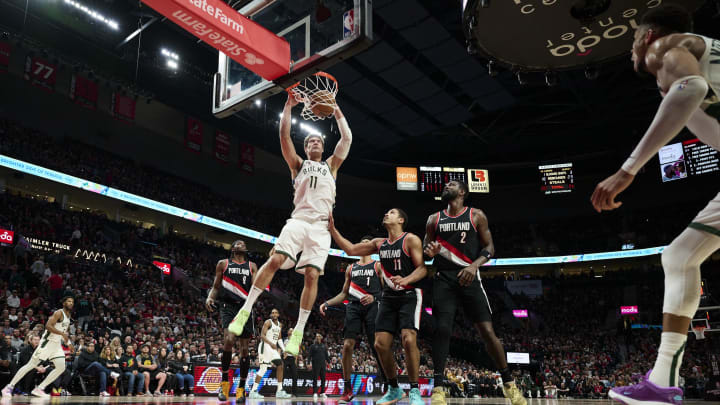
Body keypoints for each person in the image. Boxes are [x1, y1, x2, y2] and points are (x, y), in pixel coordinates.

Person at [589, 5, 720, 405]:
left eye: (632, 38)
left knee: (680, 257)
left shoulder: (664, 46)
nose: (632, 48)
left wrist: (628, 170)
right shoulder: (708, 48)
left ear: (647, 35)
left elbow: (692, 88)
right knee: (679, 256)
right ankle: (662, 382)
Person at [228, 93, 353, 357]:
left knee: (311, 275)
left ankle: (298, 330)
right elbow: (284, 137)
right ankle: (246, 309)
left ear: (323, 146)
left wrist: (336, 108)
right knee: (275, 260)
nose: (316, 142)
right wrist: (288, 106)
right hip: (298, 221)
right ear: (306, 148)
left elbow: (347, 139)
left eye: (319, 140)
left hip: (321, 227)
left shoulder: (332, 166)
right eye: (311, 141)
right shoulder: (298, 164)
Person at [423, 180, 525, 405]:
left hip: (470, 275)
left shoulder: (476, 215)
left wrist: (474, 265)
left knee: (487, 332)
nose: (446, 186)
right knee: (442, 329)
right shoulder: (433, 219)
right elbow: (425, 253)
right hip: (444, 279)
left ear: (462, 192)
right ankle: (438, 388)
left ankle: (509, 383)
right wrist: (430, 251)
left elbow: (489, 248)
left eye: (451, 184)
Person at [329, 208, 428, 405]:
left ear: (400, 220)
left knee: (408, 340)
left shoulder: (411, 240)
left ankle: (415, 390)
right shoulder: (379, 243)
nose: (386, 214)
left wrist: (406, 279)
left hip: (409, 294)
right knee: (380, 344)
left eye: (391, 212)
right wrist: (332, 230)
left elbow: (423, 268)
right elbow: (350, 250)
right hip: (389, 297)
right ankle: (393, 388)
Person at [319, 239, 385, 403]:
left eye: (367, 242)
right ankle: (347, 389)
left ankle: (388, 385)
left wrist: (374, 297)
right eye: (361, 242)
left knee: (377, 346)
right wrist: (327, 303)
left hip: (373, 306)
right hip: (354, 306)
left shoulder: (378, 266)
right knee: (347, 345)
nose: (363, 244)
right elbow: (344, 294)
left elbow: (387, 290)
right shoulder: (351, 268)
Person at [205, 239, 257, 401]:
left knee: (244, 349)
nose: (241, 244)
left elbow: (256, 289)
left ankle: (241, 388)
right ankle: (225, 383)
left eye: (243, 243)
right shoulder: (223, 263)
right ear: (233, 248)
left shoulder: (252, 266)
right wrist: (209, 297)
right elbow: (216, 286)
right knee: (228, 340)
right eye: (238, 243)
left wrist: (250, 305)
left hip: (245, 307)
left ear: (246, 249)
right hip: (227, 306)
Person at [2, 292, 74, 398]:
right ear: (63, 303)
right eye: (68, 301)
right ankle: (9, 387)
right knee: (30, 365)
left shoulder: (68, 315)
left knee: (61, 367)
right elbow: (48, 326)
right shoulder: (59, 313)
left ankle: (39, 388)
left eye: (72, 301)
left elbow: (64, 330)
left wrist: (68, 343)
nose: (71, 303)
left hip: (56, 345)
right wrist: (62, 334)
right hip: (47, 342)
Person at [249, 309, 291, 399]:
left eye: (276, 312)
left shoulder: (280, 325)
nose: (274, 314)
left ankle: (279, 391)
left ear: (278, 314)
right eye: (272, 312)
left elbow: (279, 339)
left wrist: (284, 350)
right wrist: (271, 343)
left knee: (280, 365)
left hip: (273, 349)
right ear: (271, 315)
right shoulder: (268, 322)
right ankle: (253, 391)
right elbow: (262, 335)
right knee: (263, 369)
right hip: (265, 347)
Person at [308, 333, 330, 401]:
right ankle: (315, 392)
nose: (317, 337)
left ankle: (322, 392)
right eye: (316, 336)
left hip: (323, 364)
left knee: (323, 378)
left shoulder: (324, 346)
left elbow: (326, 355)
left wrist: (329, 363)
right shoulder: (312, 346)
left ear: (321, 337)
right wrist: (308, 363)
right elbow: (309, 355)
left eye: (319, 336)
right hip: (315, 364)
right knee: (315, 378)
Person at [282, 328, 299, 396]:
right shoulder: (284, 340)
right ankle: (281, 391)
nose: (291, 332)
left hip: (292, 359)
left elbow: (296, 351)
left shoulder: (295, 341)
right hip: (285, 358)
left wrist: (296, 360)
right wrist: (283, 356)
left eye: (292, 331)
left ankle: (294, 393)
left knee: (295, 376)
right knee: (282, 375)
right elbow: (282, 348)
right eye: (290, 330)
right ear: (288, 332)